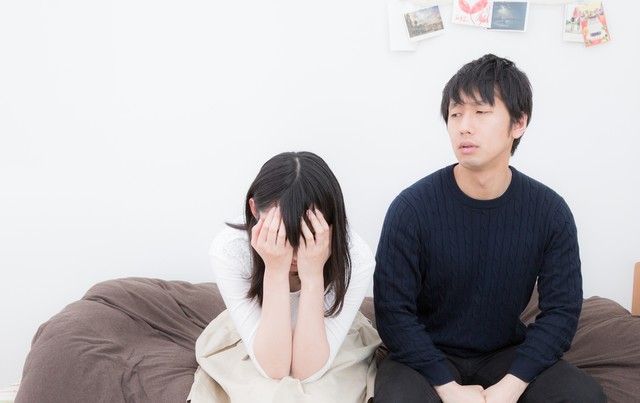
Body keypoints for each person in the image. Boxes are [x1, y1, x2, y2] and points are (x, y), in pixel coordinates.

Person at [373, 54, 606, 403]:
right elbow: (393, 313)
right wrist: (449, 389)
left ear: (519, 123)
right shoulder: (411, 209)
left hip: (505, 353)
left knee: (583, 396)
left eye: (481, 112)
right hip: (425, 355)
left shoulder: (549, 212)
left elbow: (561, 312)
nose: (464, 126)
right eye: (455, 114)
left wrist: (511, 387)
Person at [188, 151, 380, 403]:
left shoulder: (356, 257)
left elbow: (308, 371)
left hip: (327, 336)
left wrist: (313, 275)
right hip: (257, 332)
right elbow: (274, 368)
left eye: (308, 236)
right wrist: (275, 270)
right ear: (254, 209)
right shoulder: (229, 248)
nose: (294, 251)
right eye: (280, 233)